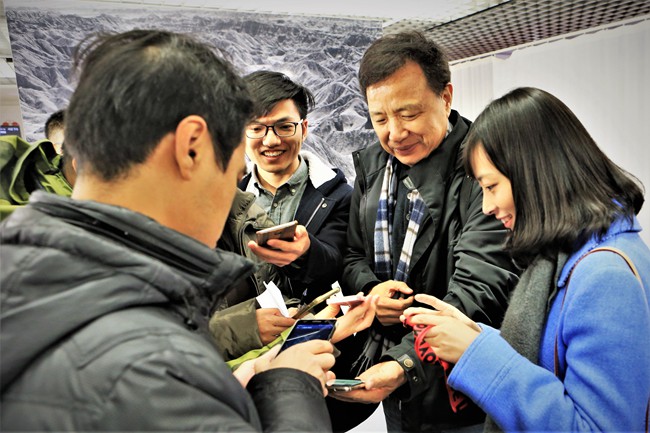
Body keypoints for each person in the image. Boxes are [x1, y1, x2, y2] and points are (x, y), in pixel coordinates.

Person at [0, 29, 337, 431]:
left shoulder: (25, 271)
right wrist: (290, 385)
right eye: (232, 176)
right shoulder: (152, 362)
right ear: (191, 147)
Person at [402, 87, 650, 432]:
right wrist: (475, 334)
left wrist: (477, 353)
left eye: (491, 187)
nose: (487, 207)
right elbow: (553, 357)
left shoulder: (606, 278)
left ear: (535, 175)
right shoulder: (571, 255)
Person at [332, 31, 520, 432]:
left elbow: (480, 288)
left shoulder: (482, 169)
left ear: (446, 97)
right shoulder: (373, 168)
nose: (395, 133)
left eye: (408, 114)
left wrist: (404, 363)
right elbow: (352, 256)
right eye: (380, 119)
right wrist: (373, 292)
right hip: (399, 387)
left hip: (462, 392)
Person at [210, 70, 353, 358]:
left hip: (320, 348)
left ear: (304, 128)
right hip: (242, 354)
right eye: (256, 128)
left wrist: (307, 252)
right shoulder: (223, 202)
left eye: (284, 127)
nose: (271, 140)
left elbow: (339, 262)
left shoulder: (339, 197)